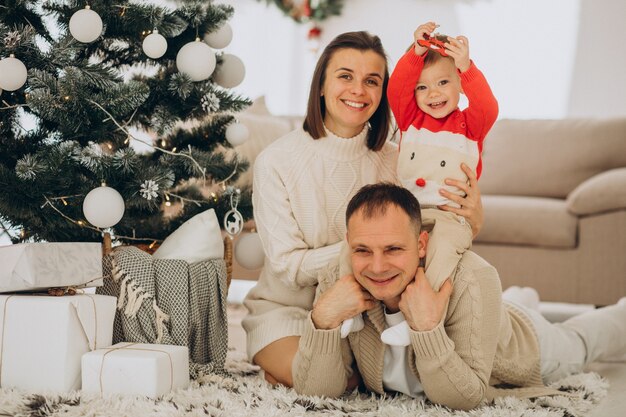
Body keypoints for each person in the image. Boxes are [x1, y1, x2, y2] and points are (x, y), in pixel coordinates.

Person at [242, 31, 485, 388]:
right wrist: (360, 254)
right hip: (291, 310)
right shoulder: (276, 162)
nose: (358, 90)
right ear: (321, 86)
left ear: (383, 92)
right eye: (345, 76)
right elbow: (287, 267)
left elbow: (424, 238)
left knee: (397, 378)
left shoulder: (397, 161)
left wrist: (474, 217)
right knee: (327, 383)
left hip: (372, 316)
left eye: (371, 81)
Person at [292, 182, 626, 410]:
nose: (377, 267)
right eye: (362, 249)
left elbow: (464, 398)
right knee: (501, 304)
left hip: (518, 344)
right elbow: (315, 391)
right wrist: (322, 319)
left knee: (580, 341)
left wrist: (426, 328)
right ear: (349, 242)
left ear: (421, 244)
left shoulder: (474, 278)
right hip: (485, 309)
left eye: (393, 249)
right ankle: (520, 296)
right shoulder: (338, 275)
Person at [342, 22, 498, 346]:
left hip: (450, 215)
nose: (433, 93)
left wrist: (467, 67)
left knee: (440, 253)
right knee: (366, 248)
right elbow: (397, 87)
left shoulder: (470, 126)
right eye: (423, 87)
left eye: (443, 82)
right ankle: (355, 310)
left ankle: (422, 317)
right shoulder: (411, 119)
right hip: (406, 212)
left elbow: (488, 106)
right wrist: (415, 52)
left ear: (461, 86)